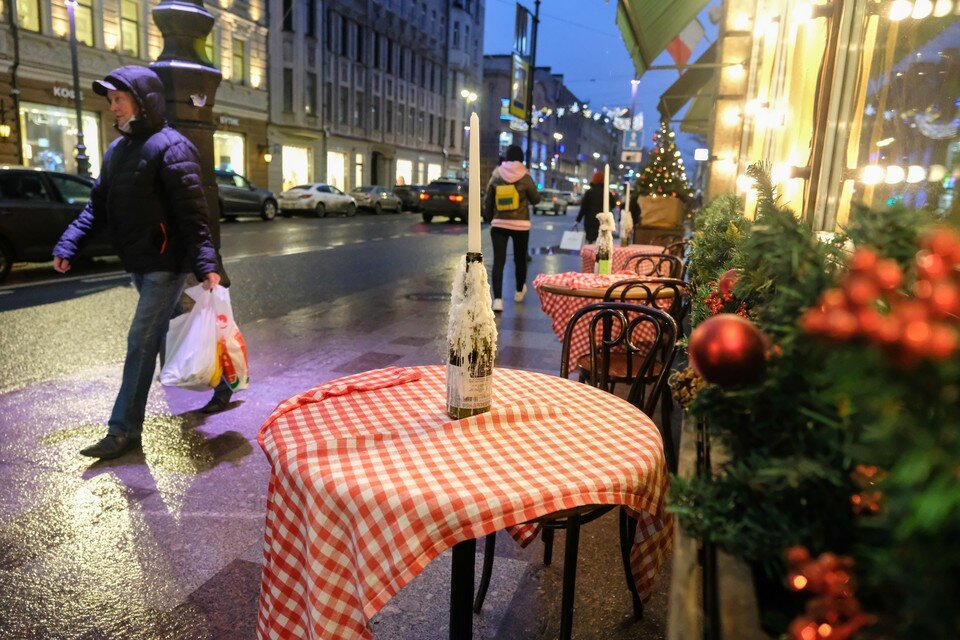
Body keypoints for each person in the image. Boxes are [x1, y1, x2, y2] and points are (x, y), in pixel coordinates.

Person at [52, 65, 222, 460]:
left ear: (143, 102)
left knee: (141, 340)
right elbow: (97, 208)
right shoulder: (117, 151)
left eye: (119, 99)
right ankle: (225, 381)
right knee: (171, 332)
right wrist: (69, 245)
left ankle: (123, 429)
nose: (113, 107)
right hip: (139, 261)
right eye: (110, 101)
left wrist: (206, 262)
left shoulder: (172, 146)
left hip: (167, 261)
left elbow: (193, 214)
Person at [483, 144, 540, 312]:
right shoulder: (525, 175)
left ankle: (498, 300)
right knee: (520, 259)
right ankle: (519, 290)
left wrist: (490, 218)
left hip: (499, 224)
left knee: (498, 261)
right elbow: (536, 199)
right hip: (521, 225)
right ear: (521, 157)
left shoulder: (496, 174)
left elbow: (488, 199)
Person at [575, 171, 607, 244]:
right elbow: (613, 204)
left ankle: (590, 253)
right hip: (602, 220)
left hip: (590, 220)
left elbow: (583, 207)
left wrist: (578, 220)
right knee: (601, 241)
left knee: (590, 240)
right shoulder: (606, 192)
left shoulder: (589, 192)